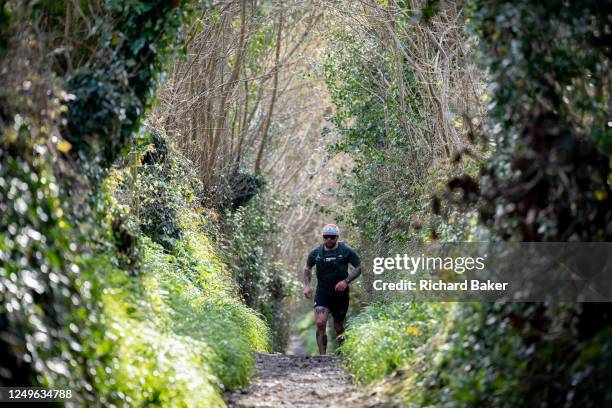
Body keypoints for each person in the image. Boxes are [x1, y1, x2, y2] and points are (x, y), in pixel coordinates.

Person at [303, 224, 362, 355]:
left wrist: (346, 281)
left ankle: (342, 355)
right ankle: (323, 357)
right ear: (323, 237)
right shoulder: (316, 252)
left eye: (332, 237)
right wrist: (307, 285)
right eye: (326, 237)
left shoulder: (345, 251)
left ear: (337, 237)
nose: (329, 240)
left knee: (338, 327)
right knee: (320, 322)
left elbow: (359, 267)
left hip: (340, 294)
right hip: (323, 292)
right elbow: (307, 268)